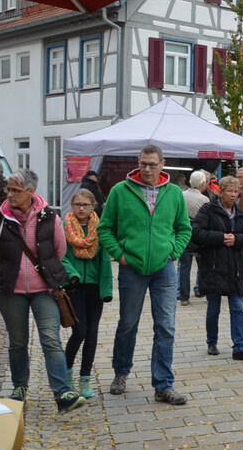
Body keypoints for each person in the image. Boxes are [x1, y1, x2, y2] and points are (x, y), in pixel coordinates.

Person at [99, 144, 192, 405]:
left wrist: (174, 251)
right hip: (132, 267)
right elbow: (105, 228)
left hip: (164, 268)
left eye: (152, 164)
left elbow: (184, 228)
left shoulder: (174, 193)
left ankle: (163, 385)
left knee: (166, 326)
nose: (147, 169)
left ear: (163, 164)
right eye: (142, 163)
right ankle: (121, 372)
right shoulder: (120, 191)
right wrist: (121, 255)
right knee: (128, 323)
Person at [0, 169, 85, 412]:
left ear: (31, 192)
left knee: (51, 340)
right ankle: (19, 387)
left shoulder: (49, 218)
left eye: (15, 190)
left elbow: (59, 251)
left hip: (44, 290)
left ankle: (63, 393)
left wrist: (44, 276)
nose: (9, 194)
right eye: (8, 189)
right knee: (18, 341)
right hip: (10, 291)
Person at [193, 176, 243, 360]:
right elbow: (197, 233)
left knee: (237, 307)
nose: (233, 195)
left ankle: (239, 347)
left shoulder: (240, 212)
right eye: (230, 191)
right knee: (214, 307)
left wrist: (236, 239)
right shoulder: (208, 210)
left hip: (234, 268)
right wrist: (221, 237)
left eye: (236, 192)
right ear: (221, 191)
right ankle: (212, 341)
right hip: (213, 266)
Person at [61, 189, 113, 399]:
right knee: (79, 332)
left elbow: (105, 262)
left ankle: (85, 378)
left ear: (93, 206)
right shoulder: (65, 228)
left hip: (94, 289)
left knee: (92, 336)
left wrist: (106, 290)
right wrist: (71, 275)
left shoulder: (99, 230)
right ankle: (66, 372)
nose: (81, 208)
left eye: (85, 204)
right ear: (72, 206)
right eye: (77, 204)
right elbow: (61, 256)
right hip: (75, 287)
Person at [178, 170, 211, 306]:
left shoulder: (181, 195)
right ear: (203, 183)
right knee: (203, 265)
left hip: (183, 235)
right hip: (199, 236)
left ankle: (184, 296)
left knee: (184, 267)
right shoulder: (205, 200)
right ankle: (201, 290)